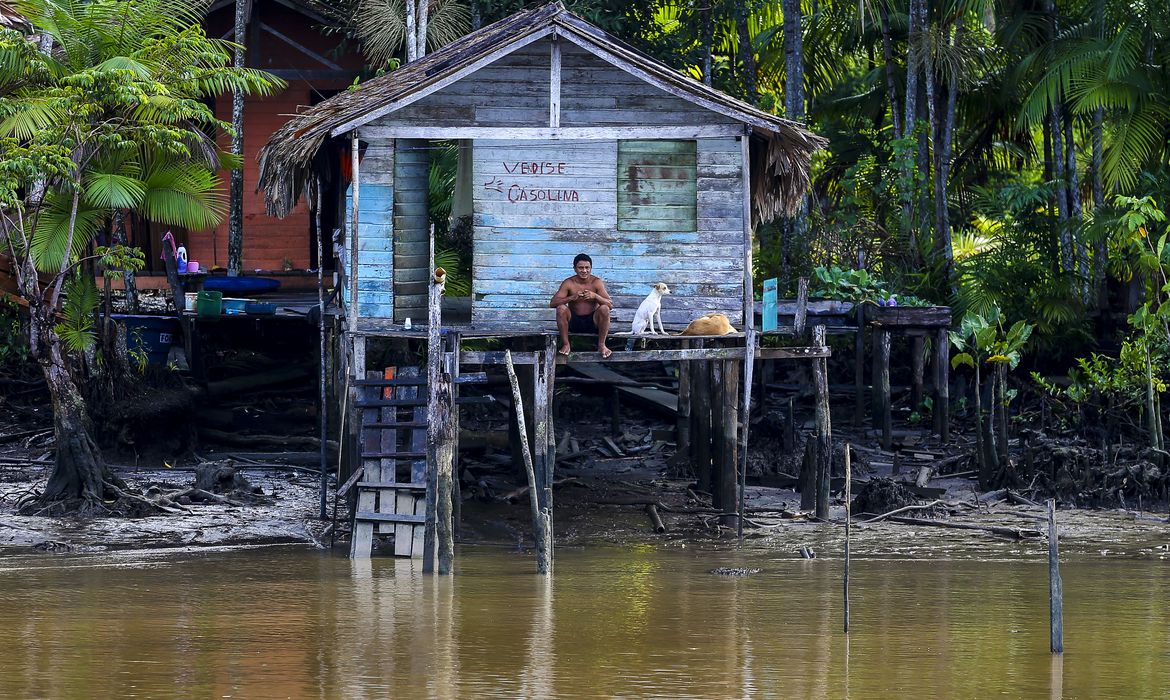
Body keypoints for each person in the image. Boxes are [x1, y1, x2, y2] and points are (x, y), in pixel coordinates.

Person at [549, 253, 613, 358]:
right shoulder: (569, 283)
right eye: (581, 268)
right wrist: (571, 298)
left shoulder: (596, 282)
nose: (584, 271)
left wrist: (595, 296)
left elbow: (610, 304)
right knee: (561, 308)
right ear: (575, 268)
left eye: (587, 268)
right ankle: (566, 344)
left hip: (593, 322)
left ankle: (602, 345)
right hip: (573, 322)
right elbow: (552, 303)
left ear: (591, 268)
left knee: (604, 308)